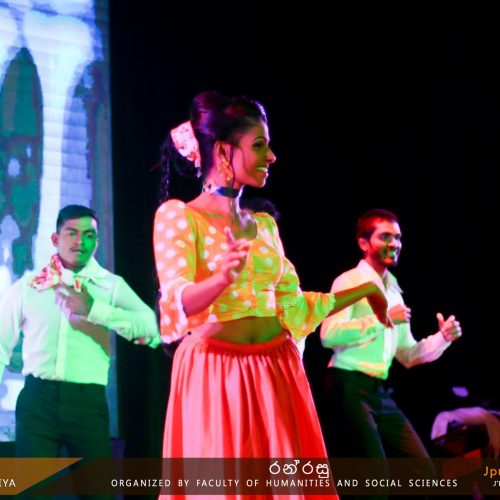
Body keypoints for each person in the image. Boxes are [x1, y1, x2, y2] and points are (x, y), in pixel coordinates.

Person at [153, 91, 388, 498]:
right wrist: (221, 279)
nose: (271, 156)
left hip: (275, 371)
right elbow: (177, 304)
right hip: (216, 375)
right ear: (224, 151)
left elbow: (291, 307)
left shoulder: (264, 225)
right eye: (260, 145)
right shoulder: (180, 216)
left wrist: (363, 289)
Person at [319, 209, 462, 496]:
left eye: (398, 238)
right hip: (348, 384)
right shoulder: (349, 281)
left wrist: (442, 338)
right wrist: (382, 320)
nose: (395, 243)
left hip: (378, 390)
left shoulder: (394, 292)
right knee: (376, 479)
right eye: (385, 237)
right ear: (364, 243)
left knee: (423, 471)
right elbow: (328, 334)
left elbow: (407, 354)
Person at [0, 204, 160, 460]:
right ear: (55, 239)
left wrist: (95, 309)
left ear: (96, 242)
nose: (80, 241)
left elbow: (151, 328)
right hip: (38, 401)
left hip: (87, 402)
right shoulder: (29, 286)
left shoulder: (110, 286)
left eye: (88, 235)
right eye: (72, 233)